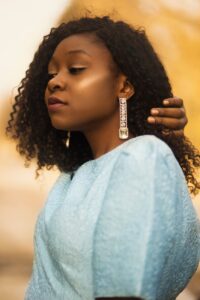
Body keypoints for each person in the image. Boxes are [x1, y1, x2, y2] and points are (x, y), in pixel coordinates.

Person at [6, 15, 200, 300]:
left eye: (76, 69)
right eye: (51, 74)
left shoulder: (143, 157)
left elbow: (125, 288)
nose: (55, 82)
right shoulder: (73, 178)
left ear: (124, 87)